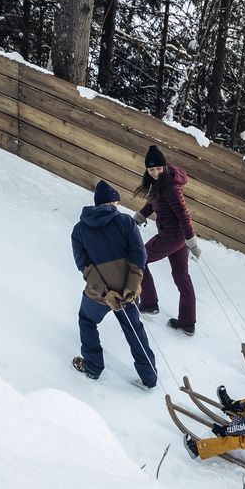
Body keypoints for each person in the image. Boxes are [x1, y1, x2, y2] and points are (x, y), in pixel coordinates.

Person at [70, 180, 157, 388]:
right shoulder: (126, 222)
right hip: (127, 291)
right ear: (112, 203)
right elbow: (139, 255)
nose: (118, 207)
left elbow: (85, 267)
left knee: (87, 321)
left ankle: (92, 366)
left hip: (99, 295)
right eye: (117, 203)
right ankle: (150, 377)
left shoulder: (79, 230)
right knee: (134, 329)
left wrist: (105, 293)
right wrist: (132, 286)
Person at [133, 145, 199, 335]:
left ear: (164, 166)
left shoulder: (170, 187)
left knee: (139, 258)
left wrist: (191, 241)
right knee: (181, 276)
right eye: (151, 169)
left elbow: (183, 214)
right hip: (176, 238)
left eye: (158, 168)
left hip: (171, 236)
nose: (155, 172)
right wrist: (140, 216)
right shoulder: (162, 183)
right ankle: (187, 323)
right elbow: (154, 201)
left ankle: (149, 303)